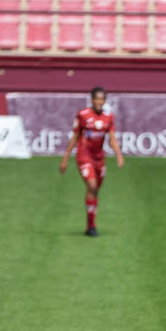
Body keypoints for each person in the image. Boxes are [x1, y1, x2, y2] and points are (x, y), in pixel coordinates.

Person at [58, 86, 125, 237]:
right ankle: (92, 226)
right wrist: (65, 159)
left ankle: (89, 224)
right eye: (97, 99)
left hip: (99, 158)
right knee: (92, 186)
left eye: (102, 99)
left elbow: (112, 138)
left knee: (95, 191)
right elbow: (75, 137)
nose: (99, 102)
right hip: (84, 155)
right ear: (92, 100)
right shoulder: (83, 115)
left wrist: (119, 154)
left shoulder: (109, 117)